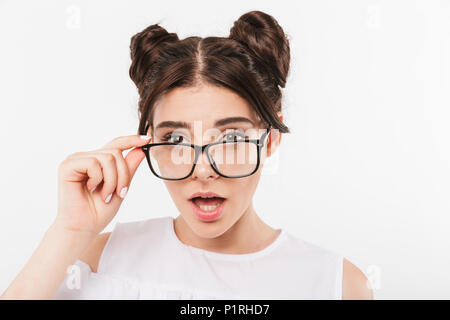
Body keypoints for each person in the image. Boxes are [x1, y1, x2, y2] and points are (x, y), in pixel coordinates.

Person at [1, 10, 373, 300]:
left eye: (230, 136)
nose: (202, 169)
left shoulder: (338, 285)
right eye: (176, 139)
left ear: (270, 137)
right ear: (147, 142)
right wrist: (69, 232)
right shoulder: (95, 262)